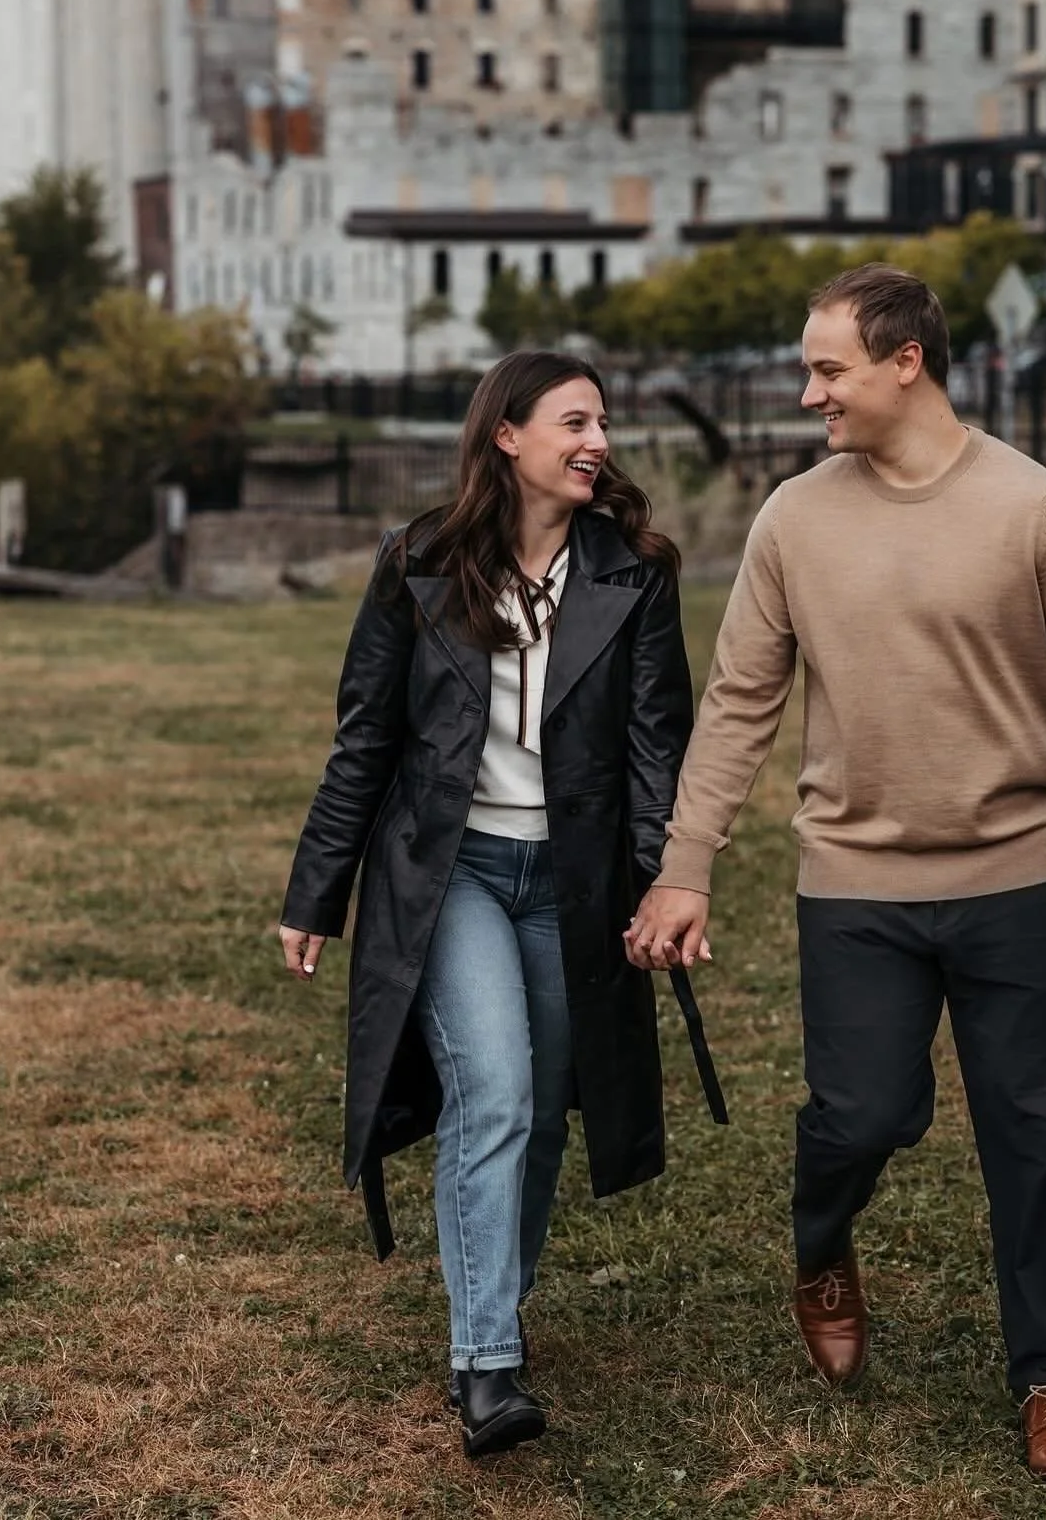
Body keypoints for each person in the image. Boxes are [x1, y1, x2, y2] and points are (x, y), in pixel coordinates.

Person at [625, 266, 1046, 1480]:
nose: (809, 390)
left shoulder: (1036, 508)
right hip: (856, 885)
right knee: (861, 1114)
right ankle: (822, 1242)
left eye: (828, 368)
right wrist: (686, 866)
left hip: (1017, 880)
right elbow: (737, 709)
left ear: (906, 361)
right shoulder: (793, 518)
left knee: (1036, 1136)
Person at [279, 352, 724, 1460]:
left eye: (605, 422)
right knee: (497, 1089)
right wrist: (315, 893)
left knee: (546, 1102)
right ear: (508, 437)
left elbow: (654, 750)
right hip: (456, 875)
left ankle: (494, 1308)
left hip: (570, 886)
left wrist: (671, 883)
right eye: (576, 420)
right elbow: (365, 741)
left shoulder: (634, 573)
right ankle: (486, 1364)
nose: (600, 440)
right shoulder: (420, 562)